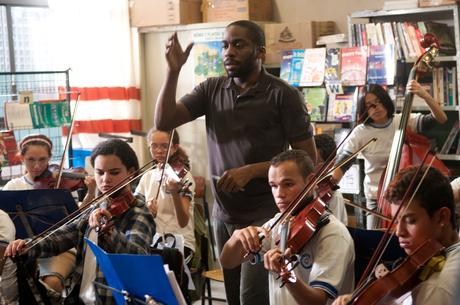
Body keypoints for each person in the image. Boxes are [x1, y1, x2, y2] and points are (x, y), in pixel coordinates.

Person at [154, 20, 317, 305]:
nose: (229, 52)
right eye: (225, 45)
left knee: (250, 297)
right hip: (225, 215)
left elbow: (308, 160)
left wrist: (253, 171)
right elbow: (164, 121)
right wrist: (172, 71)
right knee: (233, 298)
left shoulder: (283, 95)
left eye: (239, 45)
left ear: (260, 51)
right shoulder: (212, 89)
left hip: (265, 214)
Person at [4, 139, 156, 305]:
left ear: (132, 173)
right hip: (81, 298)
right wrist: (27, 246)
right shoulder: (98, 206)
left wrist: (110, 232)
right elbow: (61, 236)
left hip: (112, 300)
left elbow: (138, 257)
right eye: (99, 172)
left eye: (114, 172)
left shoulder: (138, 211)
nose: (105, 179)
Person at [220, 150, 355, 305]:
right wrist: (237, 237)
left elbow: (317, 302)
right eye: (273, 186)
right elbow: (228, 261)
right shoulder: (277, 224)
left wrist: (287, 276)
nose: (279, 194)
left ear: (311, 181)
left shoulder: (333, 234)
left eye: (288, 184)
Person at [332, 166, 460, 305]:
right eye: (397, 220)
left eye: (410, 220)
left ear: (442, 217)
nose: (399, 231)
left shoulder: (438, 288)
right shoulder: (433, 257)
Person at [332, 82, 447, 229]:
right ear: (364, 110)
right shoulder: (360, 132)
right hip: (376, 198)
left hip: (404, 195)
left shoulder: (402, 121)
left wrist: (424, 95)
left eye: (379, 102)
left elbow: (441, 118)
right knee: (375, 240)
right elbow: (343, 163)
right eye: (370, 105)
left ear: (386, 101)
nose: (376, 107)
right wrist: (329, 185)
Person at [1, 134, 94, 300]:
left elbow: (78, 218)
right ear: (21, 158)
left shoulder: (58, 185)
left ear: (50, 158)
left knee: (51, 282)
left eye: (43, 160)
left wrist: (92, 192)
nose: (37, 166)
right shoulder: (12, 187)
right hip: (24, 248)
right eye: (30, 159)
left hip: (58, 248)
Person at [135, 128, 196, 261]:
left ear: (174, 148)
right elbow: (135, 209)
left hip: (179, 242)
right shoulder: (147, 177)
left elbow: (183, 222)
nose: (159, 151)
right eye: (154, 146)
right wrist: (146, 209)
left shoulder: (183, 175)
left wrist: (175, 193)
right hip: (152, 240)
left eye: (164, 146)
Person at [314, 134, 348, 225]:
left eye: (314, 162)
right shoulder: (301, 186)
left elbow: (334, 229)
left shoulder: (334, 196)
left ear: (330, 165)